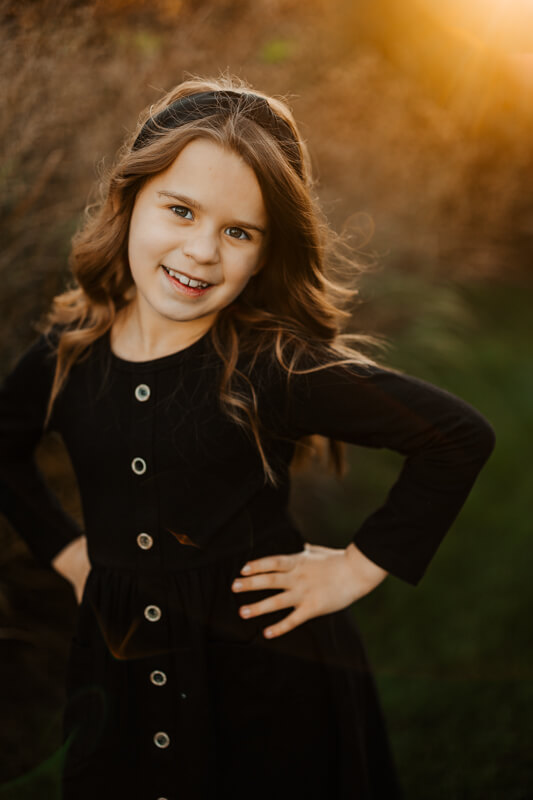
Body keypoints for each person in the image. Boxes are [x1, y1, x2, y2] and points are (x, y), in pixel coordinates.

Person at [0, 75, 495, 800]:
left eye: (238, 232)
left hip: (268, 681)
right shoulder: (69, 356)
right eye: (180, 210)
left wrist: (358, 567)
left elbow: (455, 435)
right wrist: (66, 551)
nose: (202, 250)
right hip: (121, 682)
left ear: (265, 254)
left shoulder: (274, 365)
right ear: (128, 200)